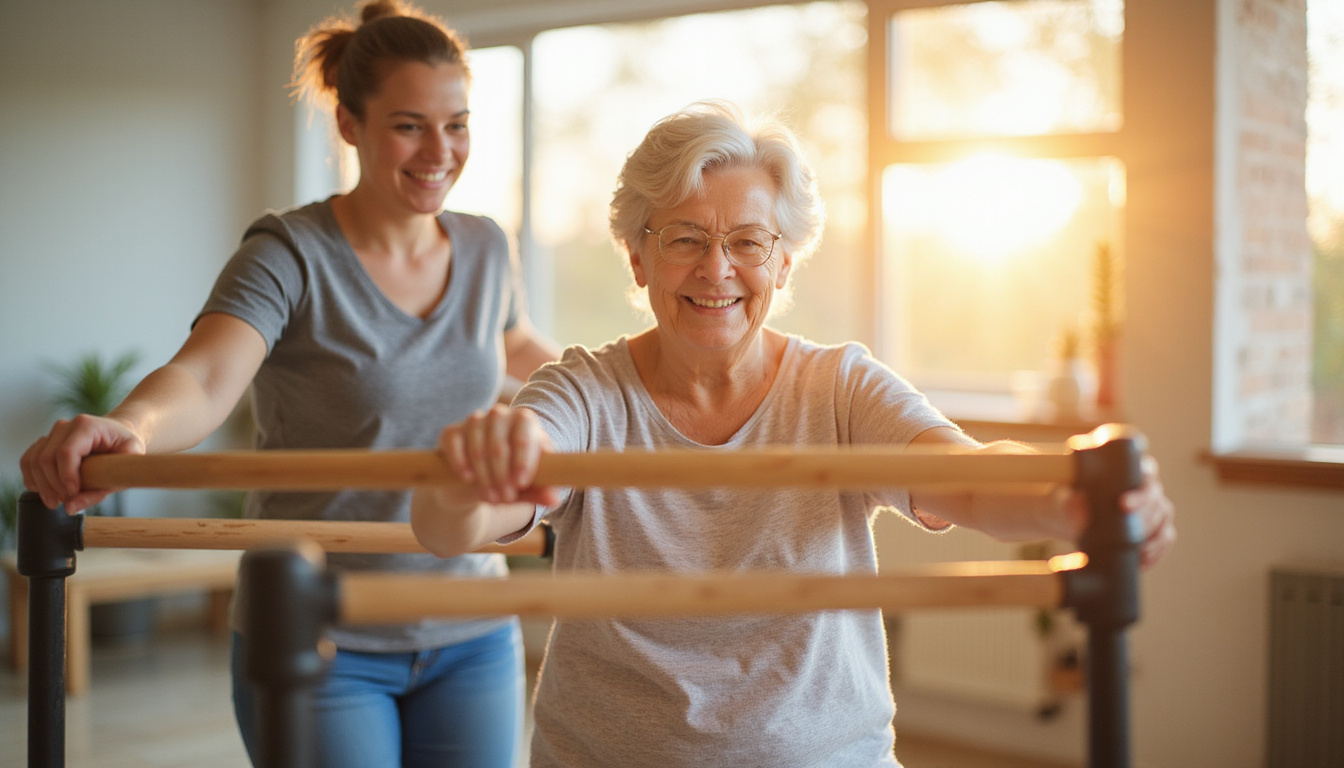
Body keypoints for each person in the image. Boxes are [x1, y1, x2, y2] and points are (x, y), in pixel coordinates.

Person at [409, 100, 1177, 768]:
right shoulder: (584, 390)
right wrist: (473, 481)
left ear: (782, 261)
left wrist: (1072, 506)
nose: (717, 269)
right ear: (638, 258)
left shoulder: (839, 386)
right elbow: (462, 519)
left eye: (747, 241)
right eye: (684, 239)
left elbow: (971, 476)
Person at [20, 1, 560, 765]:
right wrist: (133, 427)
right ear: (350, 123)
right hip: (321, 632)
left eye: (458, 123)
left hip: (470, 625)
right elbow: (206, 376)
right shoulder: (288, 252)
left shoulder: (484, 246)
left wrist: (630, 388)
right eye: (410, 125)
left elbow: (516, 347)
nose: (440, 150)